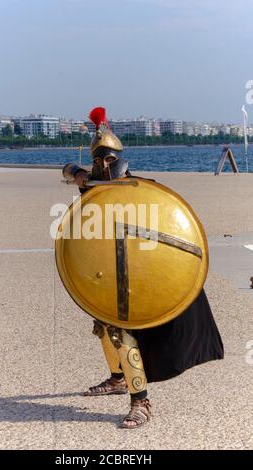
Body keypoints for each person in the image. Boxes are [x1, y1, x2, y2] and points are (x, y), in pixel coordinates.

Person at [62, 107, 224, 429]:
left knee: (123, 335)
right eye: (99, 161)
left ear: (121, 158)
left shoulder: (140, 190)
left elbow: (167, 230)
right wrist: (77, 172)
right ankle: (117, 379)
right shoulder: (93, 189)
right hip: (105, 278)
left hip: (139, 281)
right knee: (104, 330)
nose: (104, 166)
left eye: (110, 160)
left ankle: (141, 403)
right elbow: (66, 170)